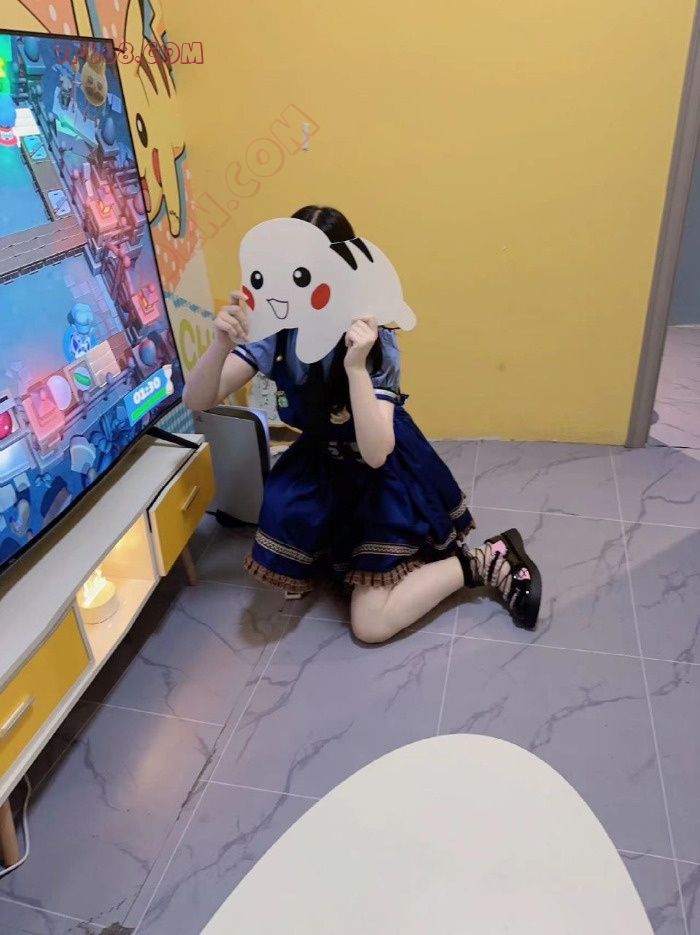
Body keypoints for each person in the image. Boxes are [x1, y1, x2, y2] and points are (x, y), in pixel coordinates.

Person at [184, 205, 541, 644]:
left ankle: (487, 558)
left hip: (381, 469)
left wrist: (355, 367)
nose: (296, 288)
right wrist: (220, 344)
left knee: (369, 625)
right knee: (312, 545)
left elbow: (376, 454)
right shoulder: (276, 331)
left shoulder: (375, 340)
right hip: (320, 462)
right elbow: (197, 401)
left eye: (308, 274)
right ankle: (343, 552)